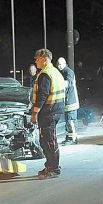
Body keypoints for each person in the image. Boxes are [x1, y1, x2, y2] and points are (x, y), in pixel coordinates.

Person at [31, 49, 67, 179]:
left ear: (44, 59)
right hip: (55, 109)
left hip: (49, 111)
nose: (35, 60)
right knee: (47, 139)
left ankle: (54, 168)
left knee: (48, 140)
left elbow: (42, 95)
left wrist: (34, 113)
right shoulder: (55, 72)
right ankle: (50, 165)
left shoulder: (46, 74)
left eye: (37, 58)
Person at [56, 57, 80, 145]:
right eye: (58, 64)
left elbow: (68, 83)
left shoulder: (68, 71)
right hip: (67, 101)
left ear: (65, 64)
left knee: (71, 120)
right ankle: (69, 136)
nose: (59, 66)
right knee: (68, 121)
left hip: (71, 101)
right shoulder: (62, 72)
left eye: (60, 64)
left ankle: (73, 138)